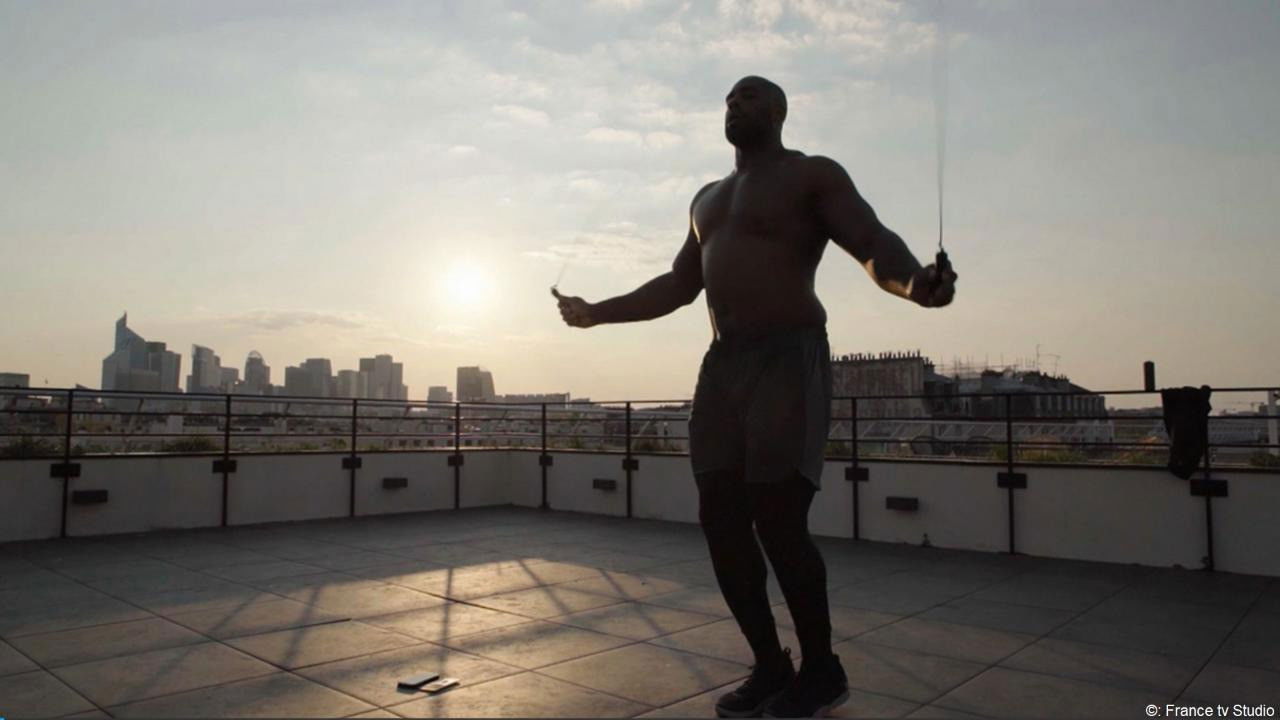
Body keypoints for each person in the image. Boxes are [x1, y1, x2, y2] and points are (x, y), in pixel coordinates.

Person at [553, 75, 957, 718]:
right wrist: (596, 312)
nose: (733, 105)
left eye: (746, 96)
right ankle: (770, 665)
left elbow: (871, 242)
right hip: (723, 365)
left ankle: (822, 671)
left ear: (777, 111)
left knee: (778, 517)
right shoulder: (706, 199)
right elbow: (679, 285)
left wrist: (916, 283)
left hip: (788, 357)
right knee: (720, 518)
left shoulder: (812, 174)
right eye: (727, 99)